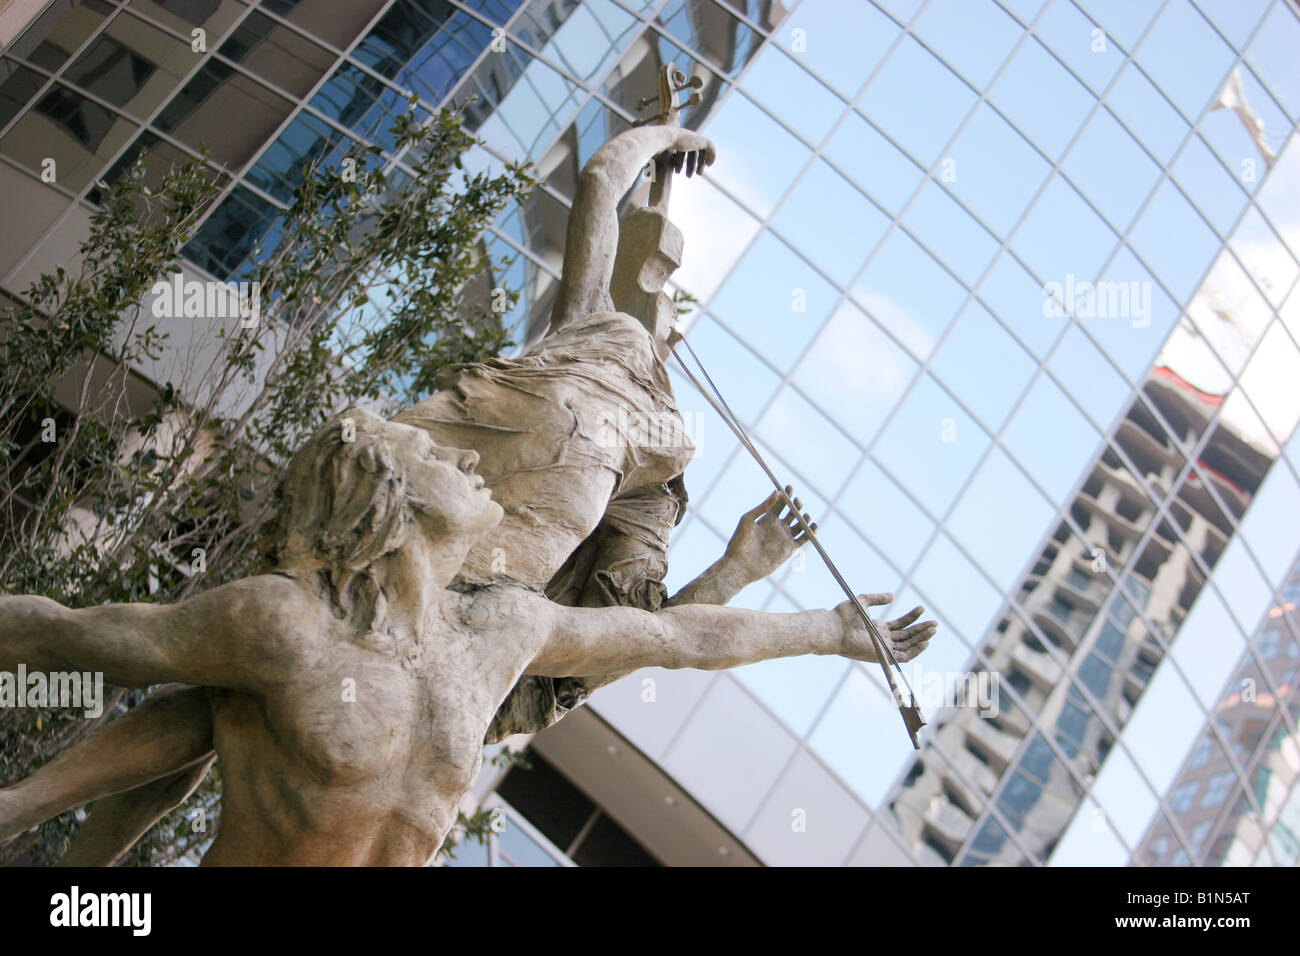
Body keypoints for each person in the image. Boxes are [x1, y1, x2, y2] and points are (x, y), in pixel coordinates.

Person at [0, 412, 935, 865]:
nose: (461, 456)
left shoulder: (502, 632)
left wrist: (825, 628)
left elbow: (672, 638)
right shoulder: (286, 625)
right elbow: (61, 635)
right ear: (387, 495)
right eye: (431, 454)